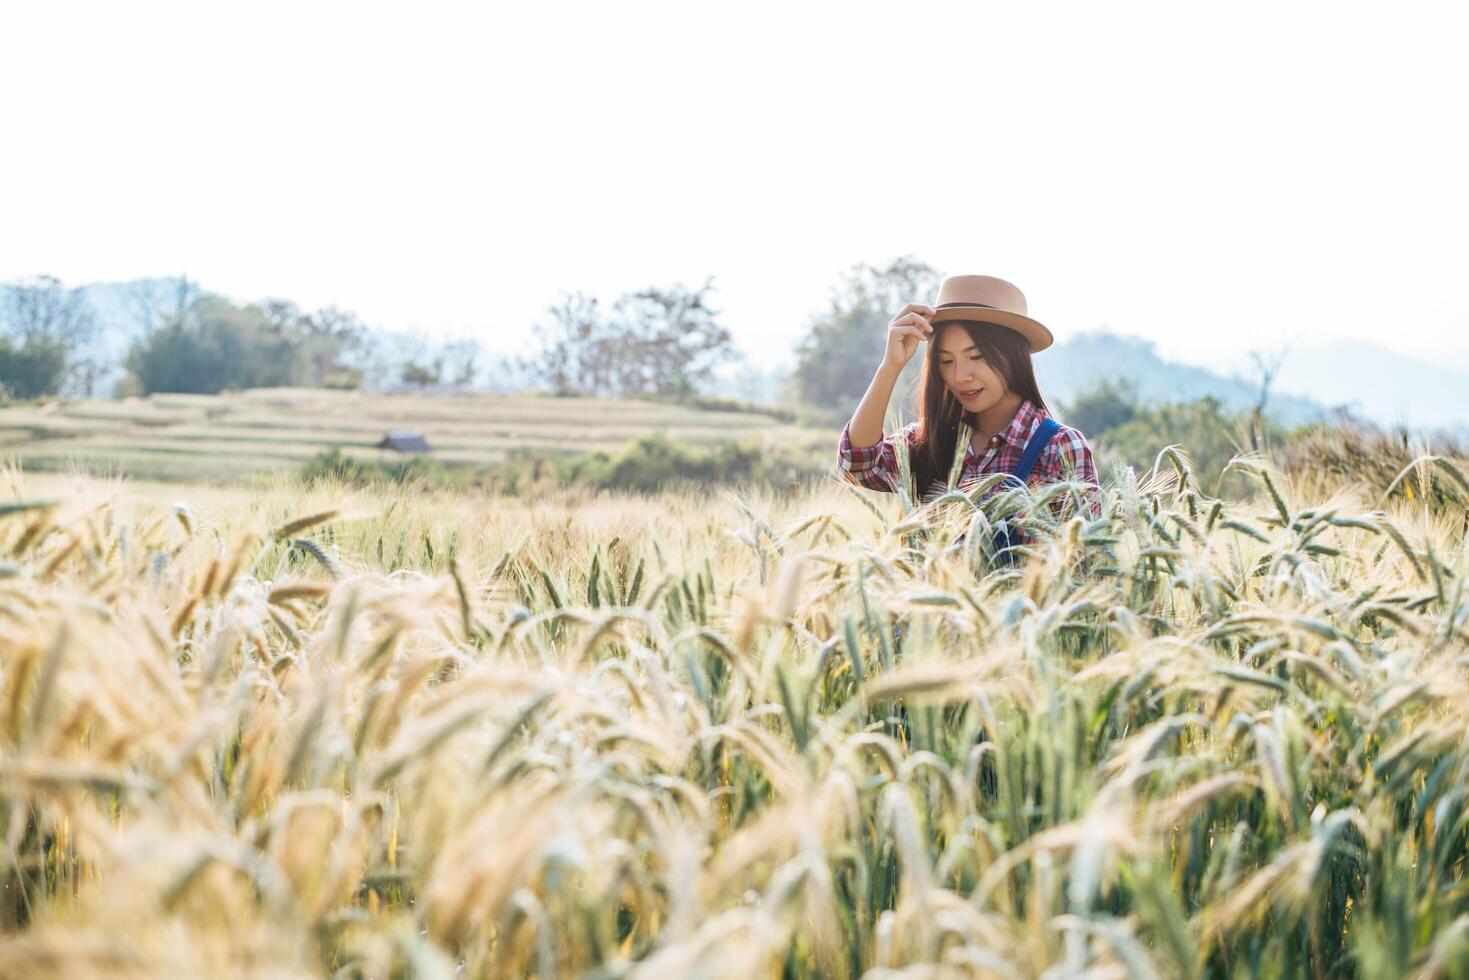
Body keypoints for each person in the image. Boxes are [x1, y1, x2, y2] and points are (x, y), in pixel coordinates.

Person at [836, 274, 1101, 540]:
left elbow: (1085, 562)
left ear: (1013, 356)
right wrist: (890, 366)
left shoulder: (1059, 447)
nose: (960, 376)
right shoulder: (928, 441)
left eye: (976, 356)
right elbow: (857, 466)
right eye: (946, 361)